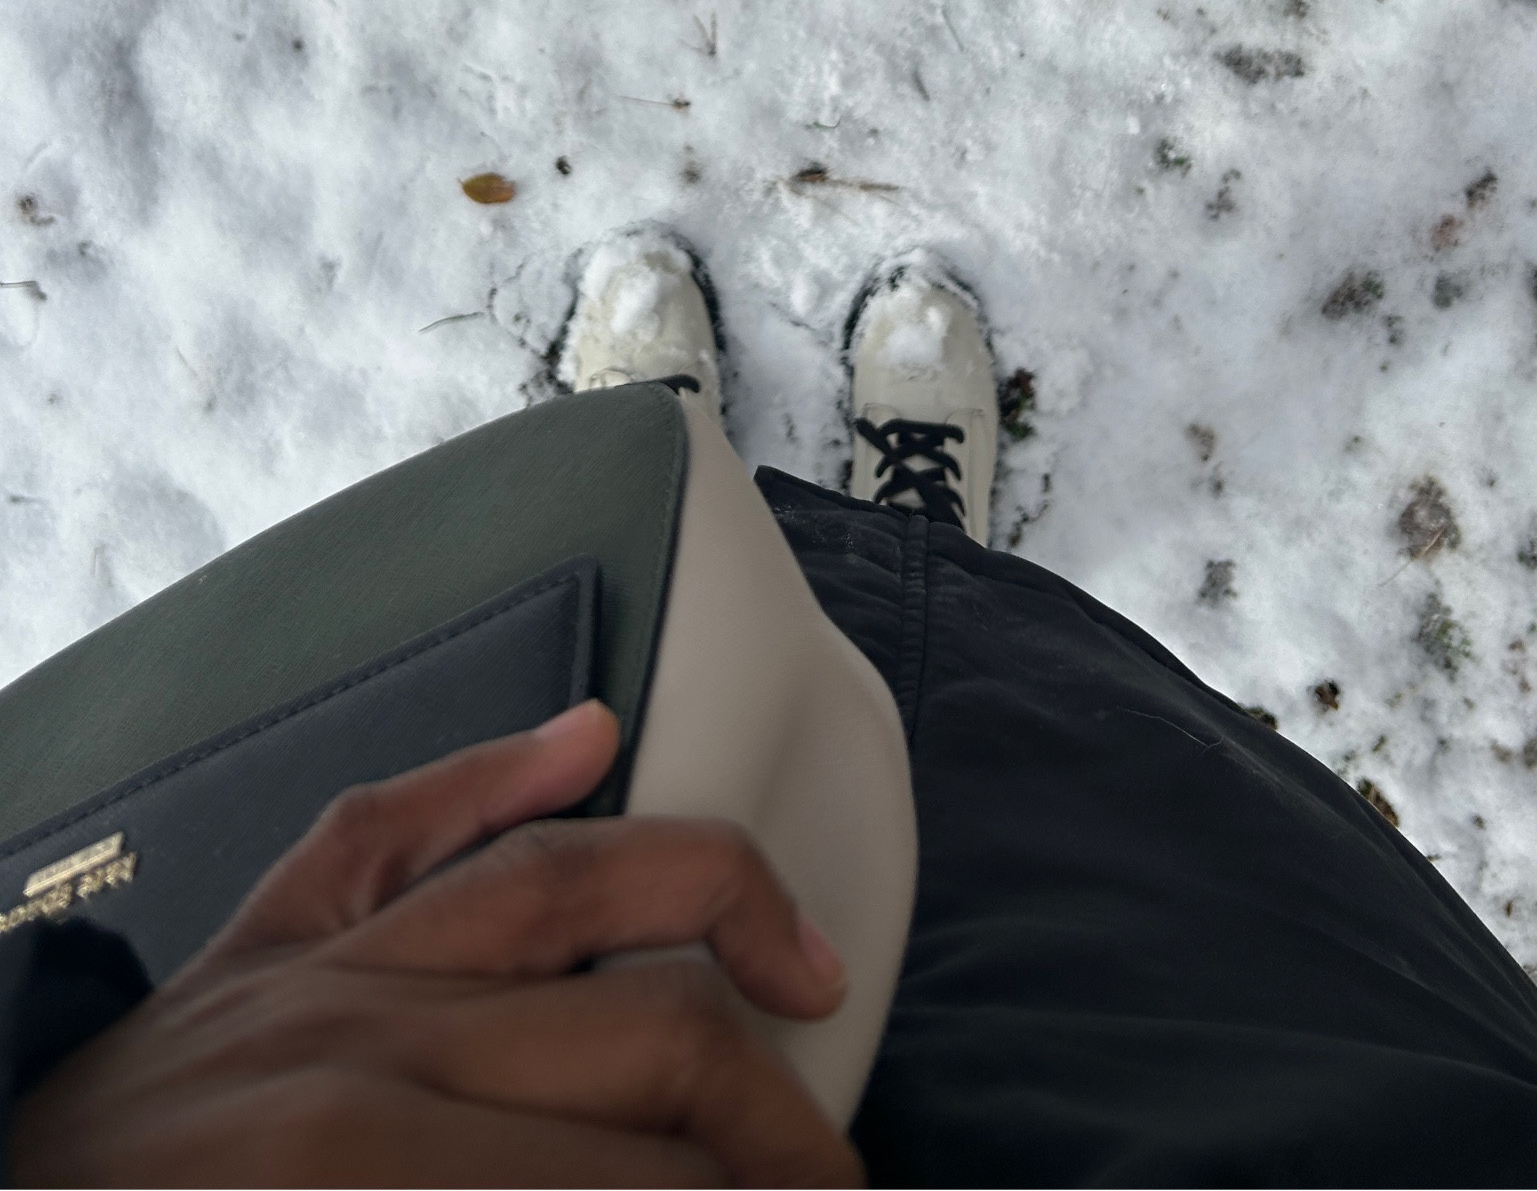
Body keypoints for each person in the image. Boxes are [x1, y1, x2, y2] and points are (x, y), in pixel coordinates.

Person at [7, 231, 1537, 1187]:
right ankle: (806, 546)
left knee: (765, 650)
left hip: (386, 1064)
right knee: (1034, 786)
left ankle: (692, 511)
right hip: (1308, 1091)